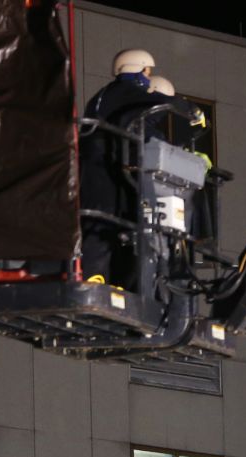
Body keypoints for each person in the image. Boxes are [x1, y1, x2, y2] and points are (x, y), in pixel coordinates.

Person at [78, 49, 163, 285]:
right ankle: (95, 275)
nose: (148, 77)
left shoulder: (105, 95)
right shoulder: (124, 92)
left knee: (114, 223)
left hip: (103, 165)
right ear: (138, 68)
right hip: (103, 166)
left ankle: (113, 278)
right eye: (147, 71)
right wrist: (188, 110)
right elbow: (156, 103)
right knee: (101, 221)